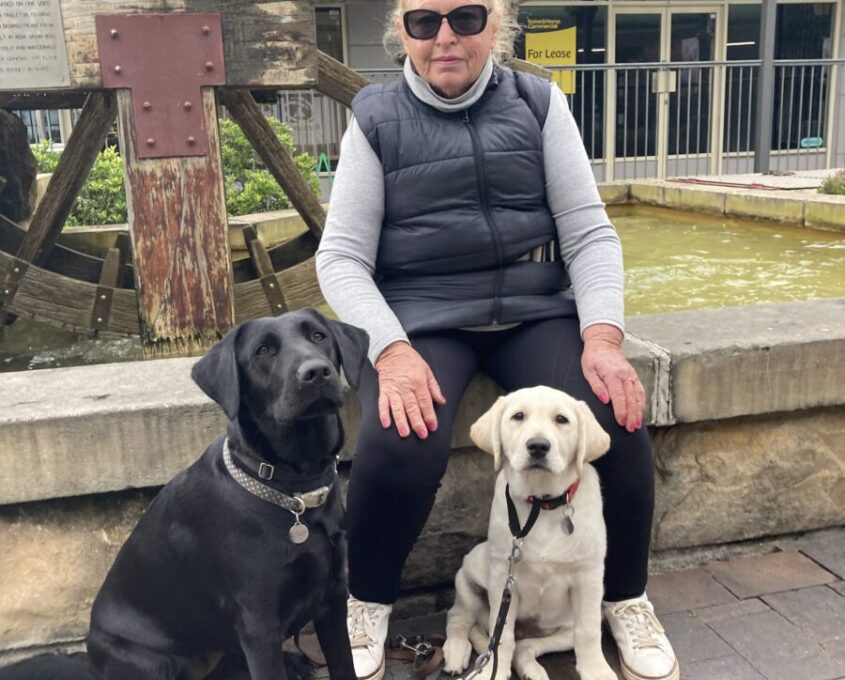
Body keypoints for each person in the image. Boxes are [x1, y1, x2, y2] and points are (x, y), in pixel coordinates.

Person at [315, 0, 679, 678]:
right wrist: (390, 352)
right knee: (400, 442)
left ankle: (625, 597)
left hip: (530, 307)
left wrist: (600, 340)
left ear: (497, 26)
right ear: (402, 33)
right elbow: (340, 258)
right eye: (424, 23)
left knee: (614, 420)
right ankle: (365, 603)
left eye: (465, 17)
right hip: (420, 318)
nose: (444, 37)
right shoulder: (374, 118)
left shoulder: (540, 104)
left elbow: (588, 231)